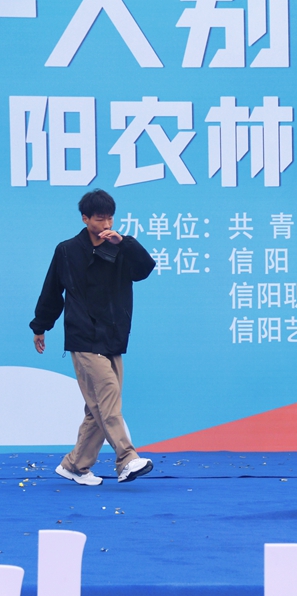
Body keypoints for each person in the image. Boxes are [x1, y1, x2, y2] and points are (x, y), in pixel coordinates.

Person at [30, 189, 156, 486]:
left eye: (110, 217)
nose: (106, 224)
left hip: (113, 336)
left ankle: (75, 465)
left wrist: (124, 243)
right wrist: (40, 326)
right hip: (83, 336)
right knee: (107, 396)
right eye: (100, 218)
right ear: (85, 219)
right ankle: (127, 458)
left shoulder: (121, 248)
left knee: (98, 407)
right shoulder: (67, 250)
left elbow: (145, 269)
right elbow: (52, 290)